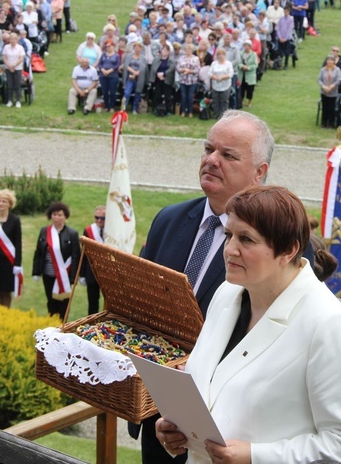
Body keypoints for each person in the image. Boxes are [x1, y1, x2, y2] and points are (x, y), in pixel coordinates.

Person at [155, 185, 341, 463]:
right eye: (228, 235)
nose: (229, 249)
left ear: (288, 250)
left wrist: (256, 456)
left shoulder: (329, 324)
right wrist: (179, 429)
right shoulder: (227, 293)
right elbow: (214, 387)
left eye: (246, 239)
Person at [131, 110, 274, 464]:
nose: (211, 160)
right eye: (208, 149)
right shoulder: (169, 219)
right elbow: (144, 310)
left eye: (228, 155)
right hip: (159, 420)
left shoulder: (276, 245)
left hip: (222, 436)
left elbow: (274, 347)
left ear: (260, 172)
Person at [32, 202, 80, 320]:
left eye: (60, 215)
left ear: (65, 216)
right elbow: (38, 252)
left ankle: (63, 328)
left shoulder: (72, 234)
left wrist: (73, 277)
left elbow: (76, 256)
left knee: (63, 303)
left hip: (64, 275)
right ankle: (52, 327)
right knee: (51, 301)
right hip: (48, 274)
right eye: (54, 214)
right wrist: (36, 271)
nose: (57, 217)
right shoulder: (44, 231)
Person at [80, 206, 105, 315]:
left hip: (107, 272)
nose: (99, 220)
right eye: (97, 217)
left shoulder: (112, 231)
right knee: (92, 302)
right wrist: (82, 274)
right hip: (92, 272)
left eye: (102, 218)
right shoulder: (89, 231)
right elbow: (84, 254)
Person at [1, 33, 26, 108]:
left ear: (17, 40)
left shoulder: (20, 48)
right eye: (11, 39)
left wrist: (14, 65)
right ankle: (10, 100)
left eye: (14, 39)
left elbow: (21, 58)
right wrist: (9, 66)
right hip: (8, 68)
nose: (13, 40)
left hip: (17, 68)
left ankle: (18, 100)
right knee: (9, 85)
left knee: (17, 84)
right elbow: (4, 57)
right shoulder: (6, 47)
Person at [122, 42, 148, 114]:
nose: (137, 49)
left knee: (138, 93)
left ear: (141, 49)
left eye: (139, 48)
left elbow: (143, 68)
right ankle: (123, 108)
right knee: (127, 93)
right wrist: (133, 72)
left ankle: (134, 108)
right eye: (136, 47)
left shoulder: (143, 58)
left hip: (139, 78)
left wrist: (136, 74)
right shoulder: (129, 56)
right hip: (130, 77)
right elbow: (126, 66)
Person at [176, 42, 201, 117]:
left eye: (189, 49)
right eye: (186, 49)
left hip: (192, 81)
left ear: (192, 50)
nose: (187, 51)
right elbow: (177, 68)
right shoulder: (181, 58)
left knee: (190, 97)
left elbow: (197, 70)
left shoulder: (195, 59)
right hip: (183, 80)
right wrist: (183, 69)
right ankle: (183, 111)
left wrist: (189, 71)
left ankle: (190, 112)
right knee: (183, 96)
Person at [319, 54, 341, 128]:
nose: (329, 62)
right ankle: (324, 122)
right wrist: (324, 86)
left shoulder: (337, 70)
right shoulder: (323, 69)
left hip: (333, 92)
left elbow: (339, 79)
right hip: (324, 91)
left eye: (331, 60)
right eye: (328, 60)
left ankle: (331, 123)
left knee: (331, 108)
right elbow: (319, 79)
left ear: (334, 61)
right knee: (325, 107)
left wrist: (331, 87)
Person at [210, 49, 234, 119]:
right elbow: (210, 73)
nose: (220, 56)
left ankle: (224, 116)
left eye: (222, 54)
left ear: (225, 55)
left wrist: (222, 77)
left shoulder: (228, 64)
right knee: (215, 101)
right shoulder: (214, 63)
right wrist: (215, 77)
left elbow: (230, 74)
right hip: (215, 85)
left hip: (225, 85)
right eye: (219, 54)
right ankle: (216, 114)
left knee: (224, 101)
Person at [98, 41, 121, 113]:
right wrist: (103, 70)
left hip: (113, 76)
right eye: (106, 46)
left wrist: (109, 71)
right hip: (103, 75)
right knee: (104, 92)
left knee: (112, 92)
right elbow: (100, 64)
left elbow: (117, 65)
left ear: (113, 46)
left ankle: (112, 107)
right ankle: (106, 106)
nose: (108, 48)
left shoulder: (116, 55)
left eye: (109, 46)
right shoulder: (103, 55)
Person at [238, 39, 257, 108]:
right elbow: (238, 62)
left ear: (250, 46)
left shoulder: (253, 54)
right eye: (245, 45)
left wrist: (248, 67)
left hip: (250, 75)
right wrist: (242, 66)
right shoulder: (241, 53)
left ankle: (249, 101)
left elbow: (255, 65)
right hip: (242, 74)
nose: (246, 47)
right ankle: (242, 100)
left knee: (250, 89)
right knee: (242, 88)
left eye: (247, 45)